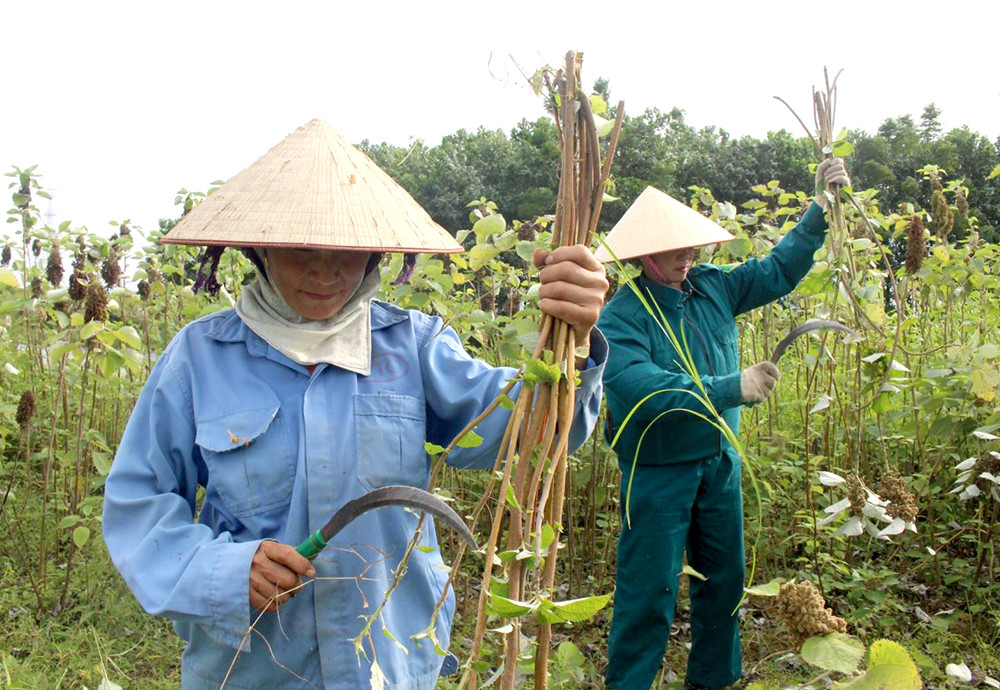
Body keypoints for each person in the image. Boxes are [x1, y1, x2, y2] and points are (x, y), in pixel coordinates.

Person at [102, 119, 610, 689]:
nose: (325, 272)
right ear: (261, 249)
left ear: (374, 257)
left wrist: (575, 343)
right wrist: (226, 570)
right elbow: (138, 503)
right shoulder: (199, 357)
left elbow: (524, 434)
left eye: (347, 253)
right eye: (301, 251)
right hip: (254, 666)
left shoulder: (412, 347)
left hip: (389, 661)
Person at [595, 158, 850, 690]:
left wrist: (821, 209)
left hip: (719, 462)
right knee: (650, 590)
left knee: (725, 581)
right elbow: (642, 389)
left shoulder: (712, 288)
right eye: (675, 248)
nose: (689, 255)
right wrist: (730, 387)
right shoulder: (621, 315)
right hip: (658, 469)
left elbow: (776, 271)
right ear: (644, 255)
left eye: (692, 246)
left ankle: (714, 680)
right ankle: (630, 684)